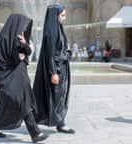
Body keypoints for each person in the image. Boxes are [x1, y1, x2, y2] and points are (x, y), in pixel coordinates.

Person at [0, 14, 48, 143]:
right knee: (23, 102)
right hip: (8, 77)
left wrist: (24, 44)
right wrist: (18, 55)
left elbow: (28, 53)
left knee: (5, 103)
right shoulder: (5, 38)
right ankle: (35, 133)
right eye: (23, 27)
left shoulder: (17, 39)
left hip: (18, 77)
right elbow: (9, 58)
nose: (24, 30)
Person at [33, 4, 75, 134]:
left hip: (62, 67)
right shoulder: (52, 32)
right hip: (57, 69)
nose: (64, 18)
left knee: (60, 97)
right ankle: (60, 123)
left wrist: (67, 53)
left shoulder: (58, 29)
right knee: (57, 97)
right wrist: (53, 72)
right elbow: (50, 54)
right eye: (62, 15)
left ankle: (60, 122)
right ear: (54, 16)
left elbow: (60, 50)